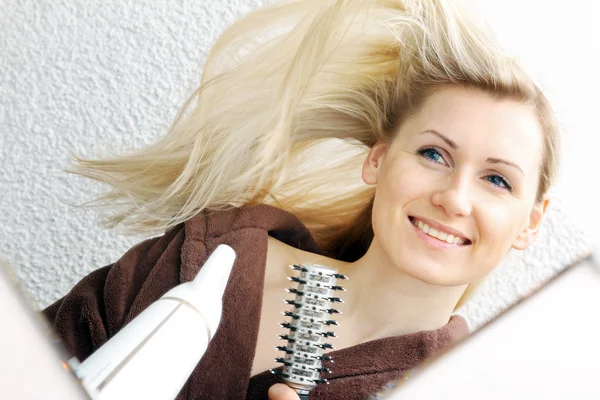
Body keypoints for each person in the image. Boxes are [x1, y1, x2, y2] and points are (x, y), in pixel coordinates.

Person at [43, 0, 560, 399]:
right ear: (378, 160)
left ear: (531, 224)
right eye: (433, 153)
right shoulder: (217, 257)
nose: (454, 198)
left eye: (497, 181)